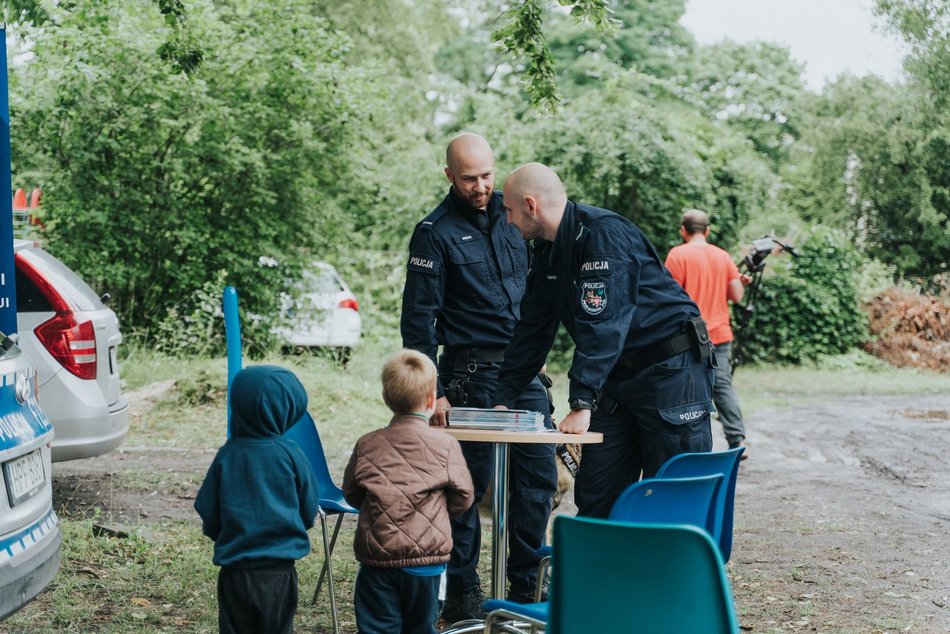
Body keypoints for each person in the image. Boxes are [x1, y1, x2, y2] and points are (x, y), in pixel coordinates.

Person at [494, 163, 716, 519]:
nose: (506, 220)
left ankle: (672, 574)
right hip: (616, 382)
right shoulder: (546, 251)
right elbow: (532, 330)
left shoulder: (604, 236)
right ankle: (603, 573)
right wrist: (502, 400)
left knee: (671, 497)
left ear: (531, 205)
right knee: (598, 496)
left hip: (671, 373)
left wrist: (582, 403)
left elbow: (605, 325)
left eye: (508, 210)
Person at [401, 133, 558, 616]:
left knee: (538, 482)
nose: (481, 186)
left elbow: (539, 294)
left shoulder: (515, 218)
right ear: (450, 175)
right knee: (465, 489)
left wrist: (537, 352)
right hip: (466, 375)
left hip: (523, 373)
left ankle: (525, 587)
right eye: (469, 178)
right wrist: (434, 395)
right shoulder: (434, 231)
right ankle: (464, 592)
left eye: (487, 175)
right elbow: (417, 321)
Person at [342, 349, 475, 634]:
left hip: (377, 561)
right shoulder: (446, 445)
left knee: (377, 627)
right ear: (431, 400)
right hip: (427, 565)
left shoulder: (368, 444)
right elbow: (464, 496)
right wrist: (437, 510)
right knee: (421, 627)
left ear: (386, 397)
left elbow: (352, 493)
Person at [194, 365, 320, 634]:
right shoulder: (291, 454)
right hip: (279, 573)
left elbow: (208, 511)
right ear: (286, 411)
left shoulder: (227, 456)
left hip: (235, 572)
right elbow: (309, 509)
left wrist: (228, 535)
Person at [665, 208, 750, 458]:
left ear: (683, 230)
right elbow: (737, 296)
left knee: (685, 387)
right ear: (708, 230)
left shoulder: (677, 255)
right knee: (721, 385)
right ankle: (737, 440)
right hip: (720, 334)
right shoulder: (723, 256)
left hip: (687, 335)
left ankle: (686, 442)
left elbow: (669, 295)